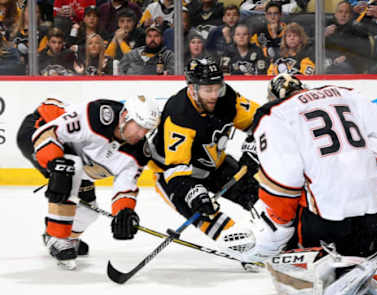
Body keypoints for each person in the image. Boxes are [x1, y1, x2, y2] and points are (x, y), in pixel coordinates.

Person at [220, 73, 377, 295]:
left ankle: (349, 278)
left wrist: (274, 234)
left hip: (323, 224)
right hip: (372, 220)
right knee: (363, 248)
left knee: (281, 270)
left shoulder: (274, 114)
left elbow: (283, 183)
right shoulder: (347, 95)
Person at [16, 95, 161, 270]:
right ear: (124, 117)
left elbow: (125, 186)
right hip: (39, 126)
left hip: (74, 155)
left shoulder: (138, 153)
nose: (141, 134)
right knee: (70, 169)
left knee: (88, 211)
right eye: (139, 126)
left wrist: (124, 211)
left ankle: (66, 236)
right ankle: (57, 237)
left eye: (147, 129)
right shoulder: (96, 116)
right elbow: (49, 132)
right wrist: (55, 163)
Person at [147, 56, 261, 244]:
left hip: (214, 164)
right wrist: (194, 193)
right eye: (208, 90)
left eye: (217, 88)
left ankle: (276, 240)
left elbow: (262, 121)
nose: (214, 95)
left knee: (259, 196)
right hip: (173, 175)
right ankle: (242, 247)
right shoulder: (180, 115)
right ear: (192, 89)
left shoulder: (228, 99)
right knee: (209, 215)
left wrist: (252, 149)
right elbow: (176, 171)